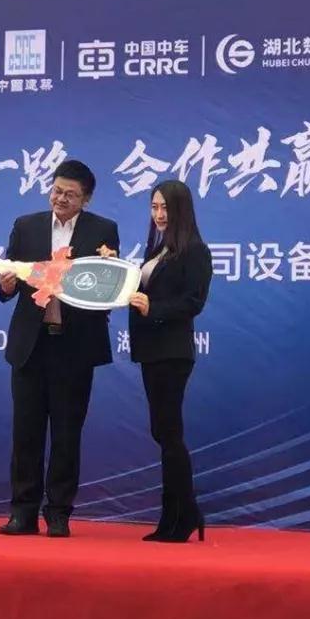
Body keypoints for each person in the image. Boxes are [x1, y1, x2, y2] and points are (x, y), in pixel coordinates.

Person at [0, 160, 119, 538]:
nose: (61, 199)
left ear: (86, 199)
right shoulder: (26, 225)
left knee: (67, 433)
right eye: (57, 190)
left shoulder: (103, 230)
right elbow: (9, 282)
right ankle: (22, 512)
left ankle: (59, 513)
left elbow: (107, 288)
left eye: (71, 194)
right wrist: (5, 284)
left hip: (74, 345)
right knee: (26, 433)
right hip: (30, 346)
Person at [125, 179, 212, 542]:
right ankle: (176, 515)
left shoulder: (195, 251)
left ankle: (183, 514)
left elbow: (193, 302)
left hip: (172, 352)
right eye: (154, 207)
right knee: (163, 432)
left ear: (181, 210)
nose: (159, 214)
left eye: (166, 208)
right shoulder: (158, 249)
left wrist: (154, 308)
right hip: (151, 350)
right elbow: (141, 290)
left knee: (169, 433)